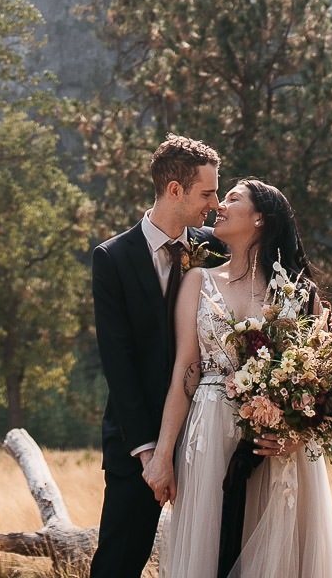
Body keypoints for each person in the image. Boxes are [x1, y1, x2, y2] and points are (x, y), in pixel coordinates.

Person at [145, 179, 332, 578]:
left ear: (260, 218)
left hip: (275, 448)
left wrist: (297, 435)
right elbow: (185, 373)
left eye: (233, 199)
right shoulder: (198, 282)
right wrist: (163, 455)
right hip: (209, 440)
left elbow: (323, 385)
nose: (219, 205)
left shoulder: (299, 295)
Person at [88, 136, 223, 578]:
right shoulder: (112, 258)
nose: (215, 204)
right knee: (119, 563)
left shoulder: (215, 249)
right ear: (174, 191)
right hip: (136, 438)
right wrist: (151, 454)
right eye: (207, 193)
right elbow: (119, 363)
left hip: (209, 433)